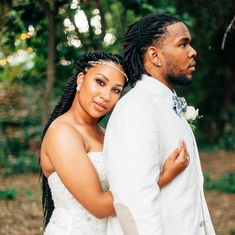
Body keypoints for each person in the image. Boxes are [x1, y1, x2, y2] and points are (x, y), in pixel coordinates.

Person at [39, 50, 189, 235]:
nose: (106, 95)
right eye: (100, 82)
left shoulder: (106, 134)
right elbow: (99, 207)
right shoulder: (62, 133)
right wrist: (164, 176)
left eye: (116, 90)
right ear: (80, 79)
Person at [104, 13, 216, 235]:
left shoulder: (168, 105)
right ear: (155, 55)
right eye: (182, 44)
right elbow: (135, 201)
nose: (193, 52)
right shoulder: (136, 108)